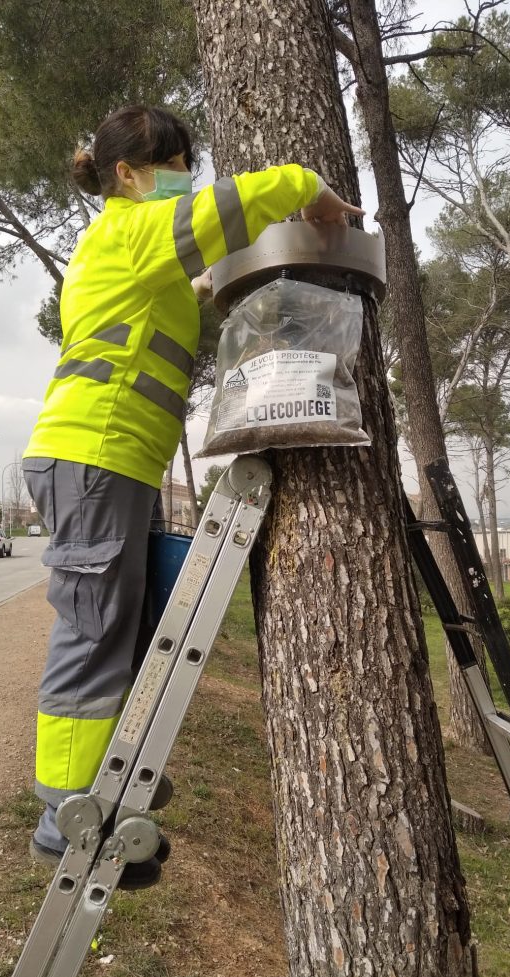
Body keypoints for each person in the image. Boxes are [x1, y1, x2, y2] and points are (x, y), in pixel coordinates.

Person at [22, 104, 364, 889]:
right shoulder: (128, 231)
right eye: (174, 164)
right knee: (96, 624)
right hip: (94, 454)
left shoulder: (139, 251)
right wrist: (306, 183)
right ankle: (63, 814)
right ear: (128, 175)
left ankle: (104, 791)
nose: (186, 179)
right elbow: (224, 210)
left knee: (132, 623)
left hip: (118, 460)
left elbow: (185, 276)